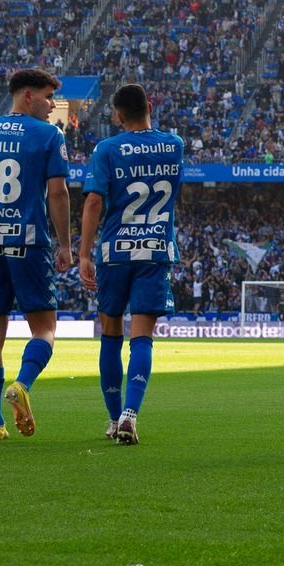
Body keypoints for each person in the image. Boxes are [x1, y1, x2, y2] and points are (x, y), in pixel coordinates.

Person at [0, 68, 72, 441]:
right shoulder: (48, 135)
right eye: (47, 97)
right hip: (28, 241)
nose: (52, 105)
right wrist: (66, 244)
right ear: (27, 96)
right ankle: (22, 384)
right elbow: (57, 193)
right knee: (45, 328)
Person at [77, 82, 183, 446]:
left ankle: (112, 417)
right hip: (154, 250)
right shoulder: (174, 145)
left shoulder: (107, 149)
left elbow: (93, 202)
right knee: (142, 338)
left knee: (109, 335)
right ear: (149, 106)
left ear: (119, 115)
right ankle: (130, 414)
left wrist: (84, 253)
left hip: (115, 253)